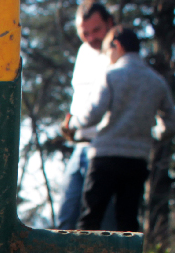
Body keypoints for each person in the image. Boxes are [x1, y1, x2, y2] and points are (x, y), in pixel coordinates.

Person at [72, 26, 175, 232]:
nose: (108, 57)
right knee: (128, 225)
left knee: (90, 221)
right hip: (136, 160)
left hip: (104, 157)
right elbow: (174, 124)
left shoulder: (111, 75)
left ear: (117, 45)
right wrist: (153, 134)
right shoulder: (156, 81)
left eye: (108, 51)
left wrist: (71, 123)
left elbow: (91, 116)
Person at [56, 1, 115, 230]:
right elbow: (80, 92)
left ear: (110, 23)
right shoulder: (83, 52)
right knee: (66, 217)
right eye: (85, 33)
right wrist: (70, 118)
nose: (91, 38)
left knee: (104, 224)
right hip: (79, 144)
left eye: (96, 30)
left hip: (105, 148)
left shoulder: (118, 53)